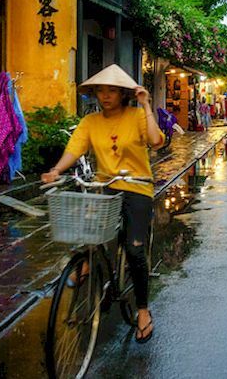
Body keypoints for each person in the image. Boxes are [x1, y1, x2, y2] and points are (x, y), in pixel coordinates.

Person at [41, 64, 165, 344]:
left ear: (122, 94)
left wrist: (146, 105)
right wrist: (56, 170)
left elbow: (156, 141)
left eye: (112, 90)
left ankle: (143, 311)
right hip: (105, 186)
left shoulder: (135, 115)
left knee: (135, 250)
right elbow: (75, 148)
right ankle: (89, 264)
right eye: (100, 90)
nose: (105, 96)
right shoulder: (90, 122)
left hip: (137, 186)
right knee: (90, 235)